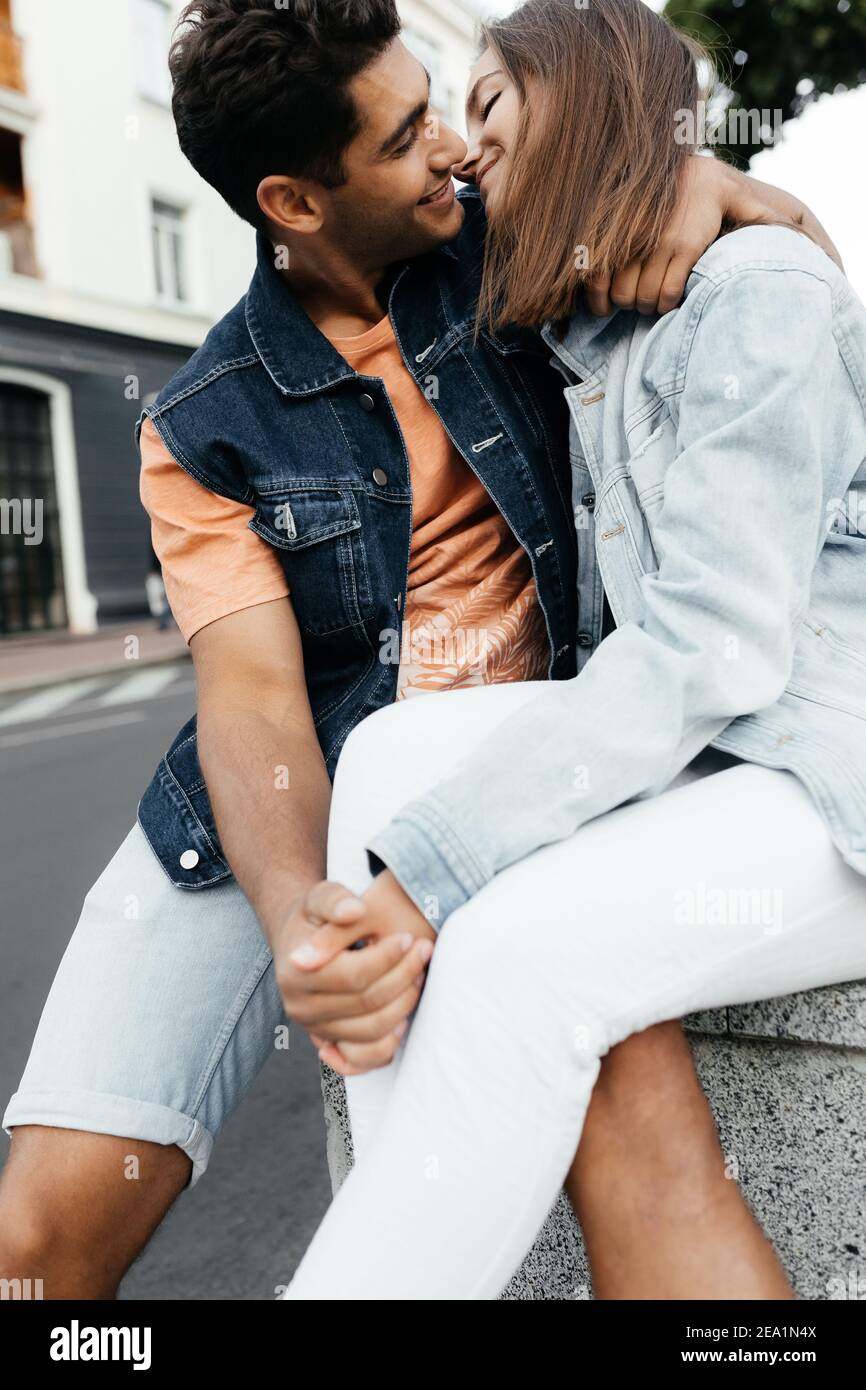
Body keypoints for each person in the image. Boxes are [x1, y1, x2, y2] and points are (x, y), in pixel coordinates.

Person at [0, 0, 839, 1299]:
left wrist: (702, 174)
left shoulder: (507, 246)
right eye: (405, 135)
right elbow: (254, 705)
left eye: (455, 106)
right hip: (300, 786)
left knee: (622, 1106)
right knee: (35, 1240)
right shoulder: (201, 418)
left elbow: (637, 174)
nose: (452, 146)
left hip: (530, 761)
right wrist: (305, 930)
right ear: (294, 199)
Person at [281, 0, 866, 1301]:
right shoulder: (593, 314)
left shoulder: (755, 291)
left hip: (830, 778)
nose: (460, 146)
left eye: (488, 109)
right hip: (731, 756)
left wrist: (430, 878)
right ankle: (420, 1241)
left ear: (594, 104)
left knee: (513, 951)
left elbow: (707, 650)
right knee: (385, 754)